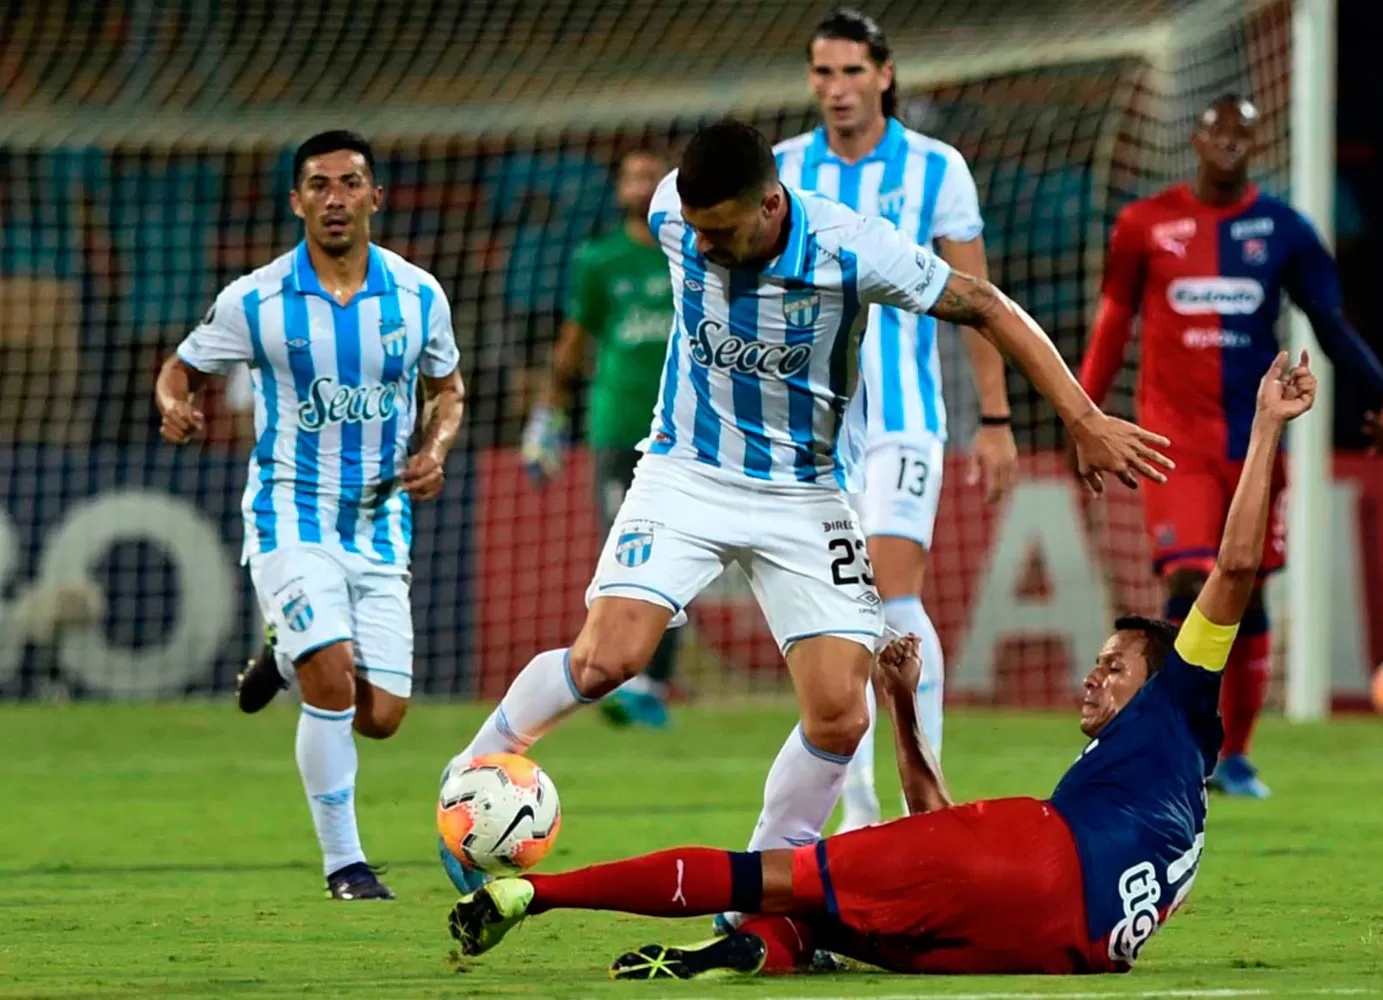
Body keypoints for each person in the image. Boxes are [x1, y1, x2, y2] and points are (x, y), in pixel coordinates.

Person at [437, 120, 1171, 897]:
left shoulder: (853, 248)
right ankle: (468, 781)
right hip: (687, 471)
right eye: (697, 233)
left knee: (840, 716)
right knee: (607, 659)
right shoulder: (670, 216)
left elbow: (985, 304)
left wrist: (1082, 417)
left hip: (806, 493)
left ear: (769, 205)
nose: (706, 249)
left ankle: (761, 888)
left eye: (722, 233)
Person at [444, 350, 1316, 978]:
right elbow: (941, 833)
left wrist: (1269, 427)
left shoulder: (1181, 701)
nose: (1094, 677)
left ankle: (540, 896)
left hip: (1046, 865)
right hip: (1059, 949)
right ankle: (756, 949)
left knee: (772, 876)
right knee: (852, 923)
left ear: (1162, 678)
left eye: (1115, 665)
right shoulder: (1142, 790)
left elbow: (1233, 568)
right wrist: (902, 707)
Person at [156, 130, 466, 900]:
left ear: (375, 197)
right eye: (319, 186)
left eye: (350, 183)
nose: (335, 198)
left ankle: (285, 654)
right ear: (297, 201)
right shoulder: (254, 299)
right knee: (334, 683)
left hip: (379, 524)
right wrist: (174, 407)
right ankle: (346, 866)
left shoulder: (420, 294)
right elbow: (180, 370)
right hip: (289, 514)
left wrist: (435, 450)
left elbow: (448, 390)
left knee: (383, 714)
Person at [1079, 94, 1383, 798]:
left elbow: (1329, 320)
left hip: (1254, 440)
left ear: (1256, 144)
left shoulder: (1284, 230)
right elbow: (1113, 320)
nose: (1229, 142)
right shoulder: (1145, 224)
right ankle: (1170, 746)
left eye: (1243, 134)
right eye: (1217, 130)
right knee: (1192, 580)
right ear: (1195, 138)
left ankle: (1237, 758)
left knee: (1248, 590)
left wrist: (1382, 390)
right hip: (1173, 440)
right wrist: (1084, 414)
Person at [774, 8, 1016, 833]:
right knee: (844, 611)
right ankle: (863, 811)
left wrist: (995, 417)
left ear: (884, 74)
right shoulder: (783, 170)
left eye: (851, 72)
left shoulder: (936, 168)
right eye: (823, 73)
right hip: (813, 426)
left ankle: (918, 806)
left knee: (892, 597)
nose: (836, 89)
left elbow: (980, 302)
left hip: (907, 418)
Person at [520, 149, 681, 729]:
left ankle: (653, 684)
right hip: (617, 424)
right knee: (627, 548)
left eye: (650, 175)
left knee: (676, 552)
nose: (640, 184)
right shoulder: (598, 259)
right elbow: (573, 340)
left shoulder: (691, 250)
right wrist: (546, 418)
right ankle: (627, 676)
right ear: (617, 189)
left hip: (683, 433)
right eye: (631, 176)